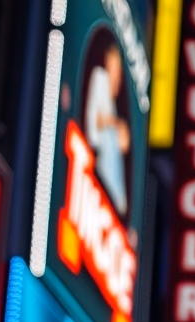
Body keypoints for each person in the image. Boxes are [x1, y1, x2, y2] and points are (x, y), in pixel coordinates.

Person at [84, 43, 131, 215]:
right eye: (115, 69)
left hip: (111, 193)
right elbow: (95, 121)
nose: (117, 77)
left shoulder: (113, 106)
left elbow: (124, 146)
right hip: (98, 176)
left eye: (118, 71)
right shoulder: (100, 78)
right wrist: (116, 124)